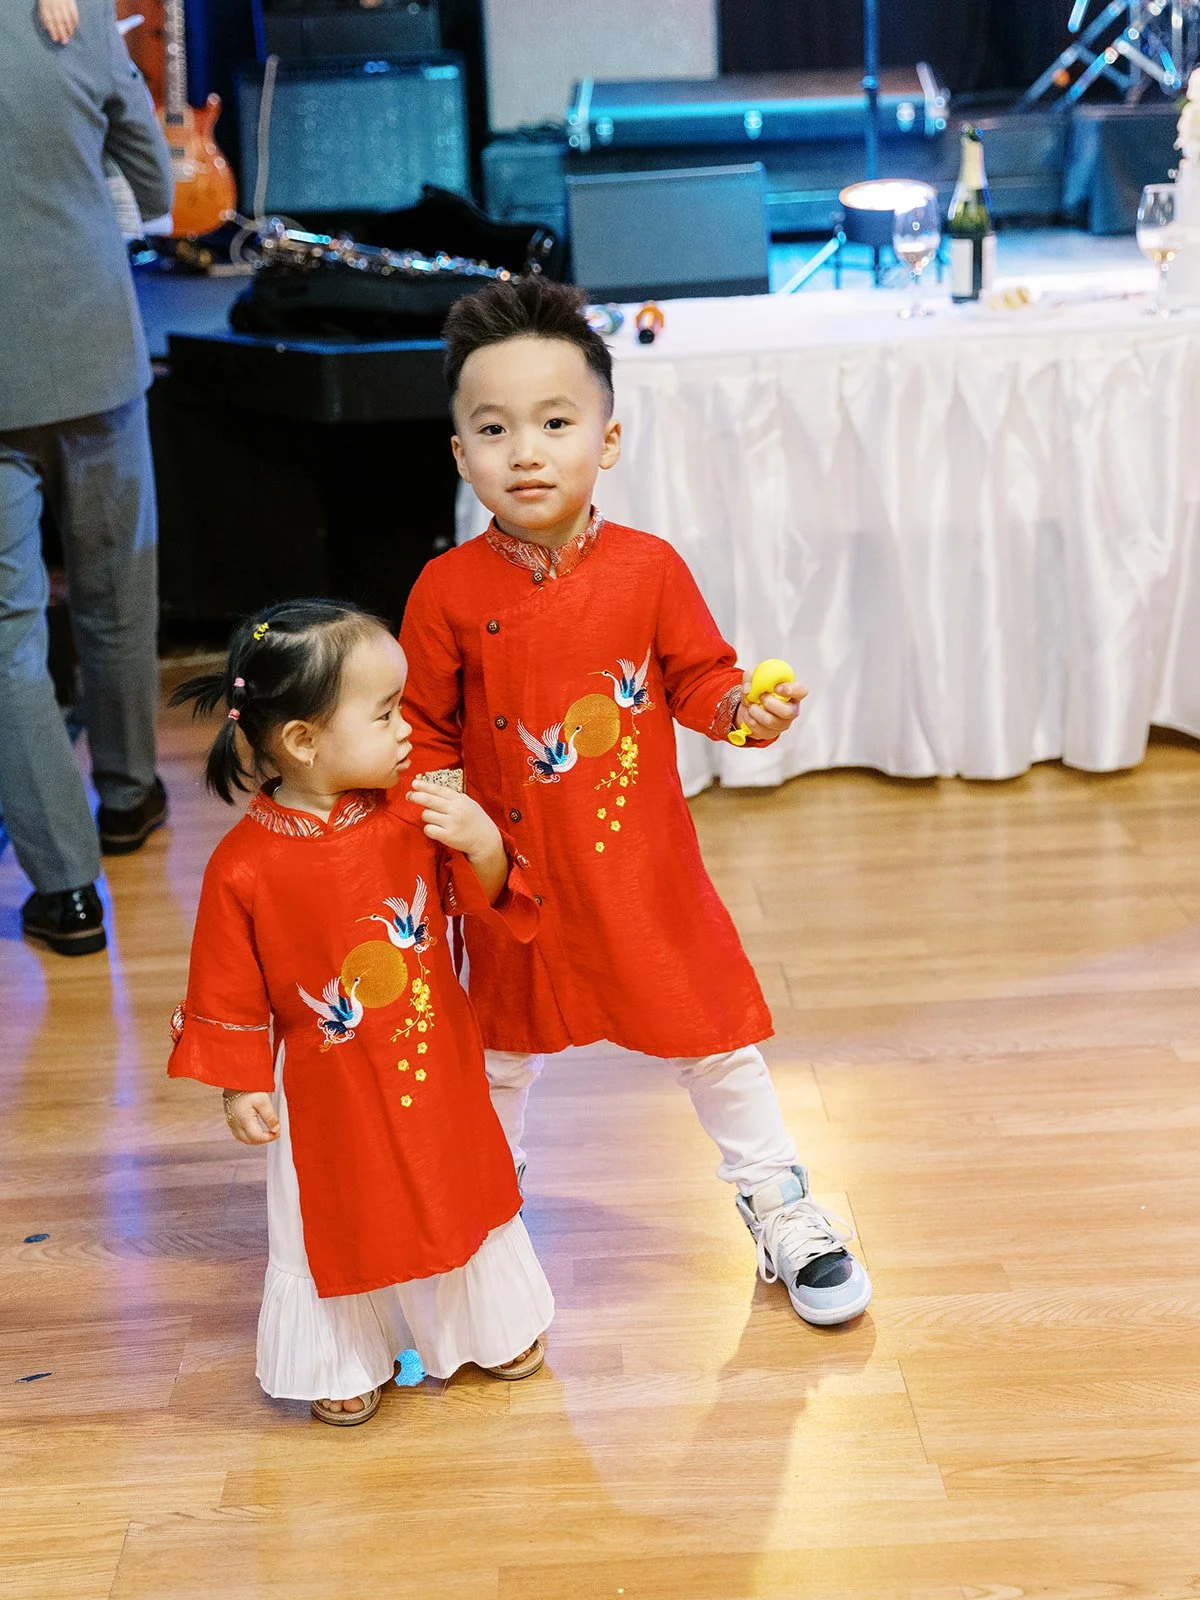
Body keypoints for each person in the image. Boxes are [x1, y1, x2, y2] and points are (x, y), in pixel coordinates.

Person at [400, 276, 872, 1328]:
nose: (527, 451)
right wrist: (430, 815)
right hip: (506, 881)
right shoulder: (444, 592)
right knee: (499, 1059)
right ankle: (481, 1229)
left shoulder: (650, 570)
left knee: (713, 1039)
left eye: (556, 423)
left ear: (607, 441)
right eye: (494, 428)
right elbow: (422, 733)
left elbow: (701, 681)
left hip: (640, 873)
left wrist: (750, 709)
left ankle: (781, 1203)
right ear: (459, 454)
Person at [168, 599, 553, 1425]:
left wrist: (483, 844)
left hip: (434, 1055)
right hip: (323, 1085)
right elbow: (225, 990)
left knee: (453, 1182)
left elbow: (487, 905)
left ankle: (492, 1320)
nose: (409, 729)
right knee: (331, 1212)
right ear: (303, 740)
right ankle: (343, 1349)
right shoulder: (242, 867)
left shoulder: (416, 812)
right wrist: (240, 1086)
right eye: (385, 714)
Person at [0, 0, 173, 956]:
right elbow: (152, 175)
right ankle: (126, 795)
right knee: (117, 586)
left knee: (6, 633)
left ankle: (65, 891)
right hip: (95, 347)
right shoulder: (70, 15)